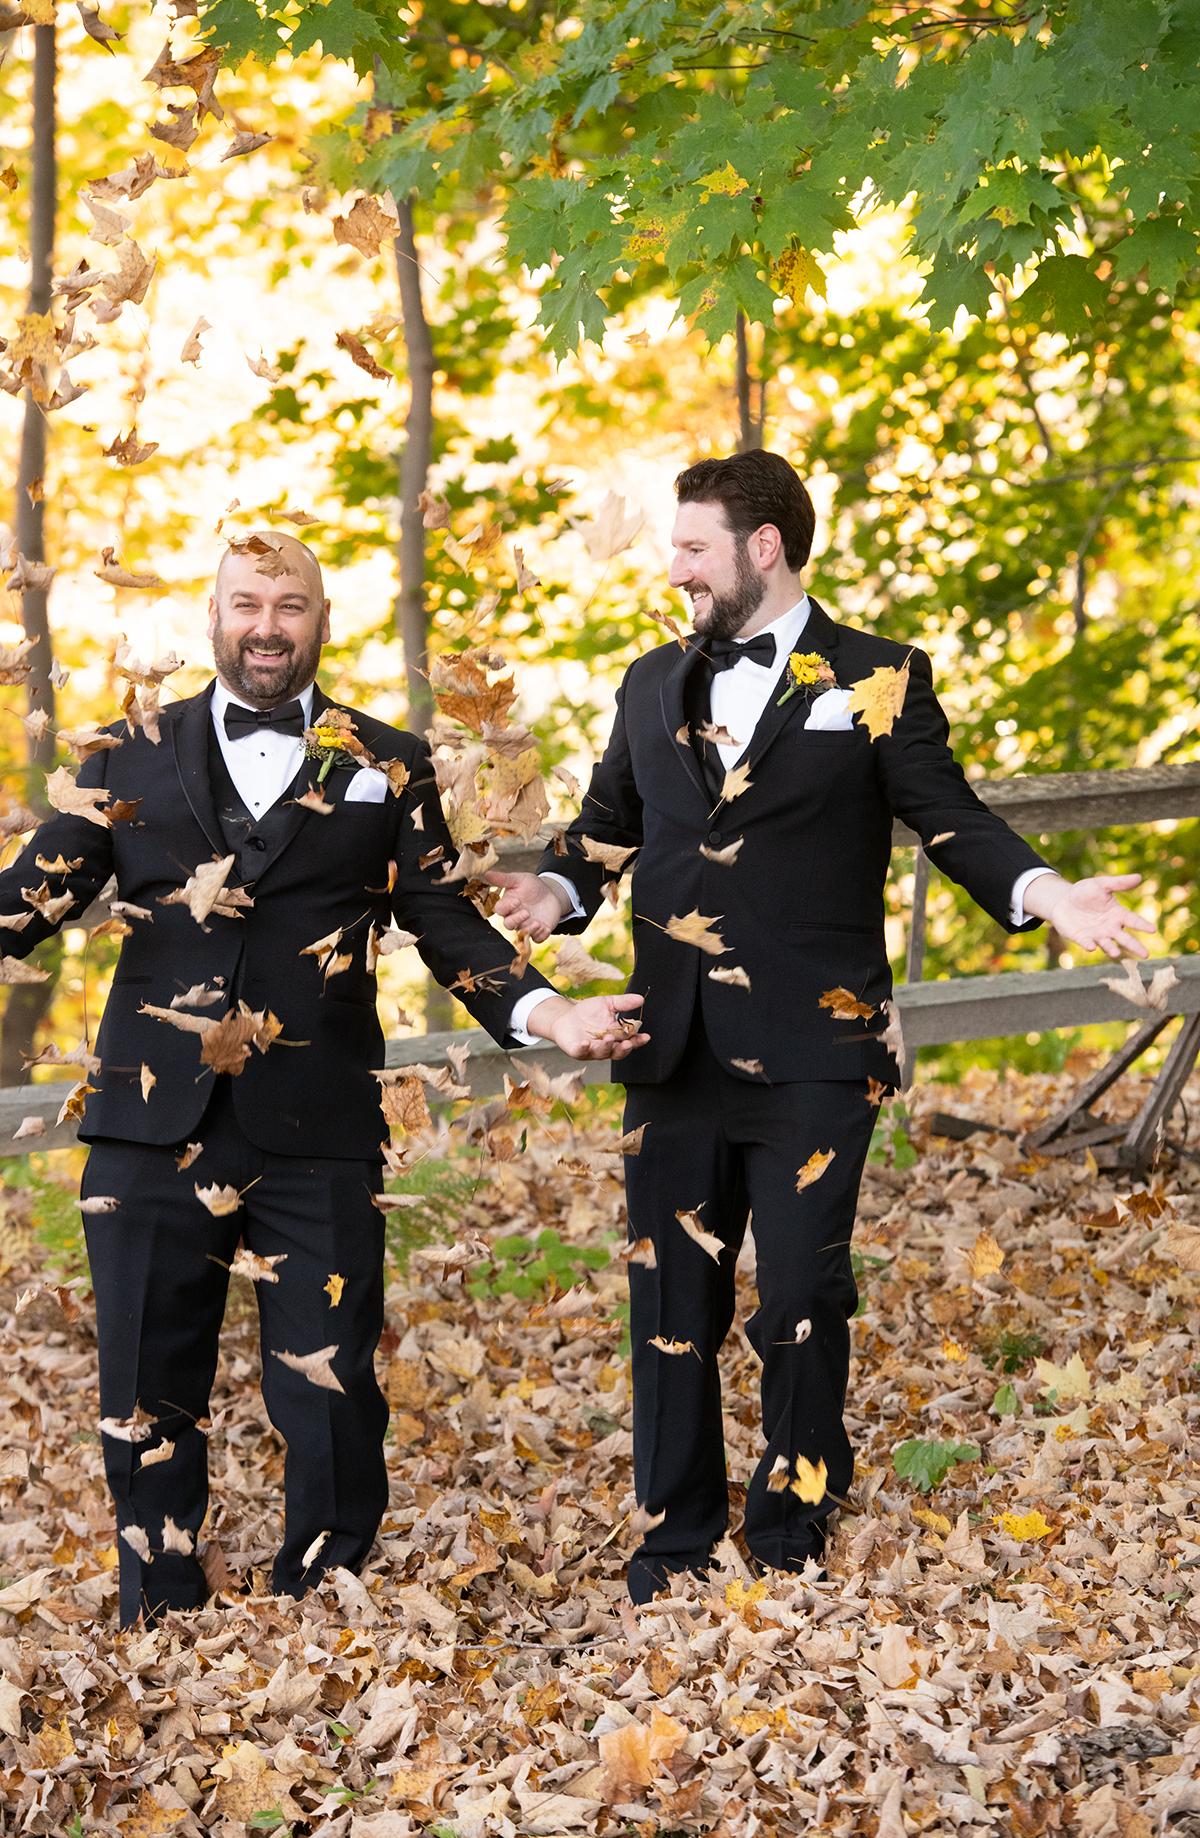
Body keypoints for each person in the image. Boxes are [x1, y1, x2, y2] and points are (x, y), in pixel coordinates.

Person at [488, 450, 1153, 1604]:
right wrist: (551, 894)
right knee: (671, 1302)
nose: (674, 565)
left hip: (815, 1051)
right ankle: (674, 1536)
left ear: (763, 547)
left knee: (801, 1291)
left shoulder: (881, 674)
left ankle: (792, 1514)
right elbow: (605, 829)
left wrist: (1050, 894)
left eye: (693, 545)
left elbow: (950, 817)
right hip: (671, 1047)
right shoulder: (649, 681)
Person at [0, 532, 645, 1627]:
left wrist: (547, 1010)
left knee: (333, 1382)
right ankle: (159, 1602)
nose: (266, 624)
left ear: (321, 617)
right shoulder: (124, 751)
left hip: (319, 1118)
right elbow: (30, 896)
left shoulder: (388, 760)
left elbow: (444, 922)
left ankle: (320, 1592)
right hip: (151, 1118)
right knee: (146, 1381)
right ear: (212, 613)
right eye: (246, 601)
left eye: (288, 604)